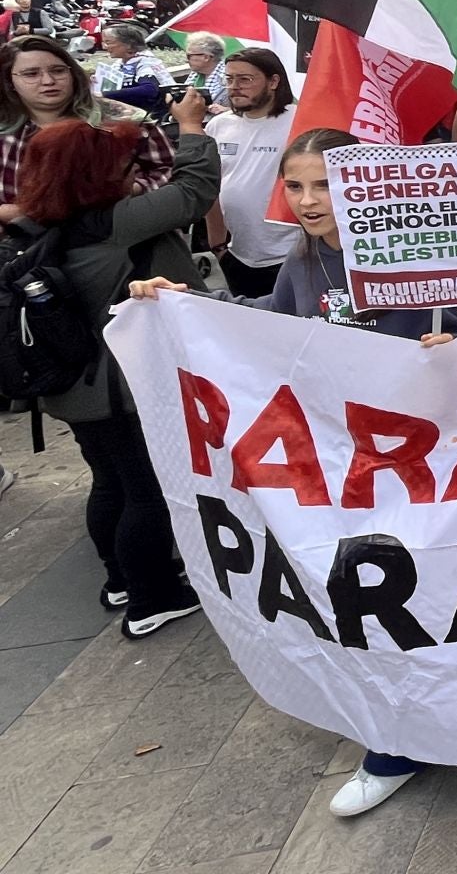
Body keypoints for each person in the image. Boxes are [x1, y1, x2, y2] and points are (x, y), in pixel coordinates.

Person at [131, 125, 457, 815]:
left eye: (325, 184)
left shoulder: (417, 257)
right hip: (344, 471)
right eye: (298, 185)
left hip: (429, 464)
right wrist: (182, 305)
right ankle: (394, 741)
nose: (309, 200)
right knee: (369, 597)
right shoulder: (301, 266)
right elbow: (265, 332)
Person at [15, 90, 216, 637]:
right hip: (117, 388)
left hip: (71, 388)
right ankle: (154, 597)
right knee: (146, 493)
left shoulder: (38, 223)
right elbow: (194, 192)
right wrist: (193, 130)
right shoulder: (115, 221)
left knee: (110, 483)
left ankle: (120, 579)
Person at [0, 36, 174, 221]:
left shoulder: (125, 121)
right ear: (9, 82)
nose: (48, 81)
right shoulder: (6, 131)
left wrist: (128, 191)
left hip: (111, 239)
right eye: (31, 74)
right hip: (17, 244)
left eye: (58, 71)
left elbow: (171, 172)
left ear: (72, 73)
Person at [204, 47, 299, 297]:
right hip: (237, 255)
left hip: (292, 255)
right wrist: (218, 246)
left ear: (274, 81)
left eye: (245, 79)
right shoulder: (218, 126)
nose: (234, 86)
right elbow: (211, 189)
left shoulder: (300, 122)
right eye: (230, 79)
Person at [90, 22, 171, 114]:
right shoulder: (121, 63)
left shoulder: (146, 62)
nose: (104, 47)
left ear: (129, 45)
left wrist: (105, 95)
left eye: (108, 42)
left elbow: (150, 90)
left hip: (152, 116)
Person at [182, 33, 229, 110]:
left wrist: (226, 110)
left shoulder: (228, 76)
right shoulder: (195, 74)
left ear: (206, 57)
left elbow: (246, 109)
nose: (186, 60)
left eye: (189, 56)